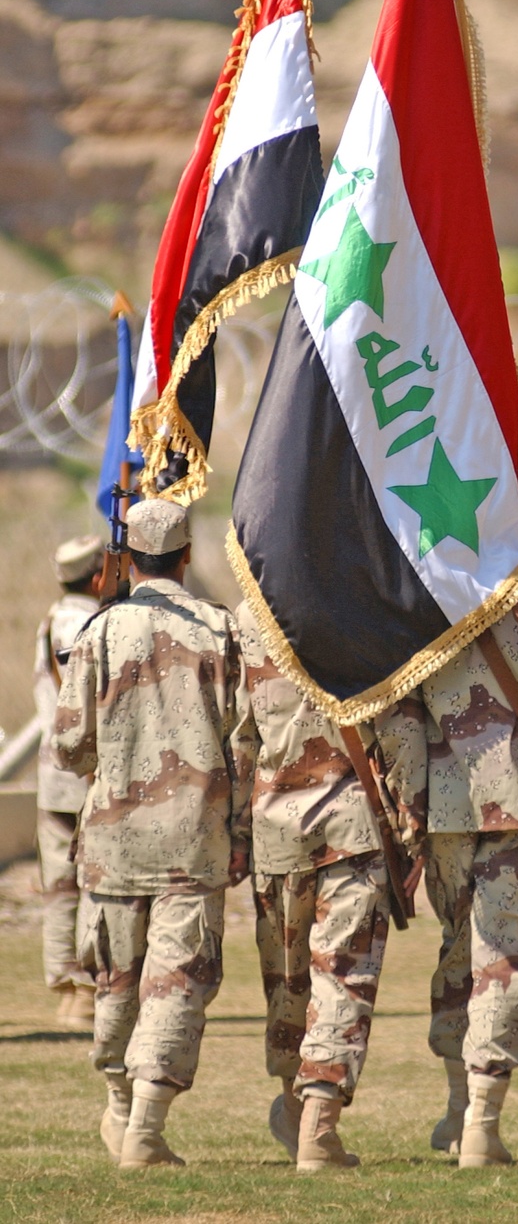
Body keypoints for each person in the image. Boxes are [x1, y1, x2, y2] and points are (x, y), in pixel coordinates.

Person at [52, 499, 254, 1170]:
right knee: (177, 981)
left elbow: (69, 747)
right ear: (188, 554)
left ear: (126, 558)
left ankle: (118, 1103)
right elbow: (245, 738)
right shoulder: (221, 629)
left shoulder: (98, 632)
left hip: (112, 843)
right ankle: (145, 1124)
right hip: (194, 839)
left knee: (113, 980)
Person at [235, 598, 426, 1173]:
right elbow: (400, 725)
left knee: (288, 979)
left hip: (276, 824)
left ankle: (298, 1116)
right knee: (343, 976)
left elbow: (239, 733)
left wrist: (239, 828)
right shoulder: (365, 602)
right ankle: (318, 1126)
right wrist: (413, 826)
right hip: (354, 823)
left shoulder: (247, 614)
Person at [417, 564, 518, 1168]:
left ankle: (458, 1109)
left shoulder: (422, 581)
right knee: (503, 957)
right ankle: (481, 1121)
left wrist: (409, 804)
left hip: (444, 801)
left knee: (459, 948)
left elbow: (401, 708)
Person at [33, 535, 103, 1028]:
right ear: (98, 574)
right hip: (85, 771)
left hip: (52, 772)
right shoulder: (85, 624)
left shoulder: (51, 619)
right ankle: (82, 989)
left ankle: (64, 983)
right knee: (90, 882)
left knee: (60, 883)